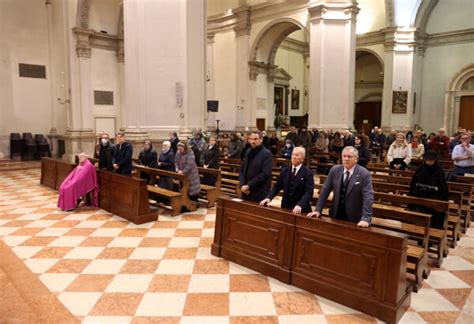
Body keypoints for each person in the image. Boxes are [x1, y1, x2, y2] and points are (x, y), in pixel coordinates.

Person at [308, 146, 373, 227]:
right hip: (335, 214)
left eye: (349, 156)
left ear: (356, 159)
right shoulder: (335, 170)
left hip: (354, 218)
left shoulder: (364, 174)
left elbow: (368, 197)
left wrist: (365, 219)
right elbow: (325, 190)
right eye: (344, 156)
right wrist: (318, 210)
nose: (346, 159)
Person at [260, 147, 314, 214]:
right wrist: (269, 198)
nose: (294, 157)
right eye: (293, 154)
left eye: (297, 155)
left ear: (302, 158)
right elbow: (277, 186)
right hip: (286, 207)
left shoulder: (308, 173)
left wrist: (300, 205)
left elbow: (308, 192)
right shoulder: (285, 170)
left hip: (301, 209)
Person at [409, 150, 449, 229]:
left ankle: (434, 232)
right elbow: (413, 183)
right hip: (420, 196)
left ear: (435, 160)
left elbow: (443, 187)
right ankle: (417, 231)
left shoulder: (439, 170)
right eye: (428, 160)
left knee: (435, 215)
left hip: (434, 197)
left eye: (431, 160)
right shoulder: (420, 169)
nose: (429, 161)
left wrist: (435, 190)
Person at [239, 131, 273, 202]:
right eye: (251, 139)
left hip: (259, 192)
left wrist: (249, 186)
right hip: (245, 191)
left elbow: (265, 174)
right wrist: (242, 185)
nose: (252, 141)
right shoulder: (248, 151)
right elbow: (242, 170)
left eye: (255, 139)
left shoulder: (267, 154)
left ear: (261, 140)